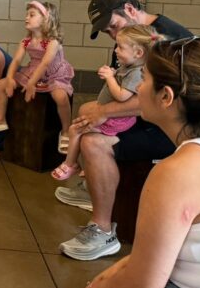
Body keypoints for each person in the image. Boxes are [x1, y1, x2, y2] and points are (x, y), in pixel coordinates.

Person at [4, 36, 200, 288]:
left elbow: (143, 286)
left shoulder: (179, 170)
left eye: (146, 80)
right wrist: (105, 280)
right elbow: (158, 259)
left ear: (166, 98)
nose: (139, 86)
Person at [54, 0, 192, 260]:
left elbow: (161, 100)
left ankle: (103, 230)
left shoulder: (169, 40)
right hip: (149, 117)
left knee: (93, 141)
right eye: (107, 32)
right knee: (86, 114)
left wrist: (104, 112)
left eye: (113, 27)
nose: (113, 37)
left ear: (129, 9)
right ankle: (96, 182)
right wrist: (101, 111)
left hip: (173, 127)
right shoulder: (130, 38)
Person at [51, 24, 158, 181]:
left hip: (117, 120)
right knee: (81, 119)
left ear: (138, 53)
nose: (116, 51)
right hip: (113, 115)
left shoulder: (137, 73)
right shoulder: (129, 67)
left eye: (120, 47)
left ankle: (71, 164)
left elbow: (122, 96)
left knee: (75, 131)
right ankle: (86, 166)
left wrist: (110, 78)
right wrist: (114, 74)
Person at [0, 1, 74, 144]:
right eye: (27, 15)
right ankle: (0, 119)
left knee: (60, 96)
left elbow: (45, 64)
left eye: (31, 15)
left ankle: (66, 130)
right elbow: (17, 61)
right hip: (33, 71)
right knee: (1, 85)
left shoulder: (52, 42)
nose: (26, 18)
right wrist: (9, 77)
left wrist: (31, 84)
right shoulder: (26, 41)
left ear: (46, 19)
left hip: (53, 74)